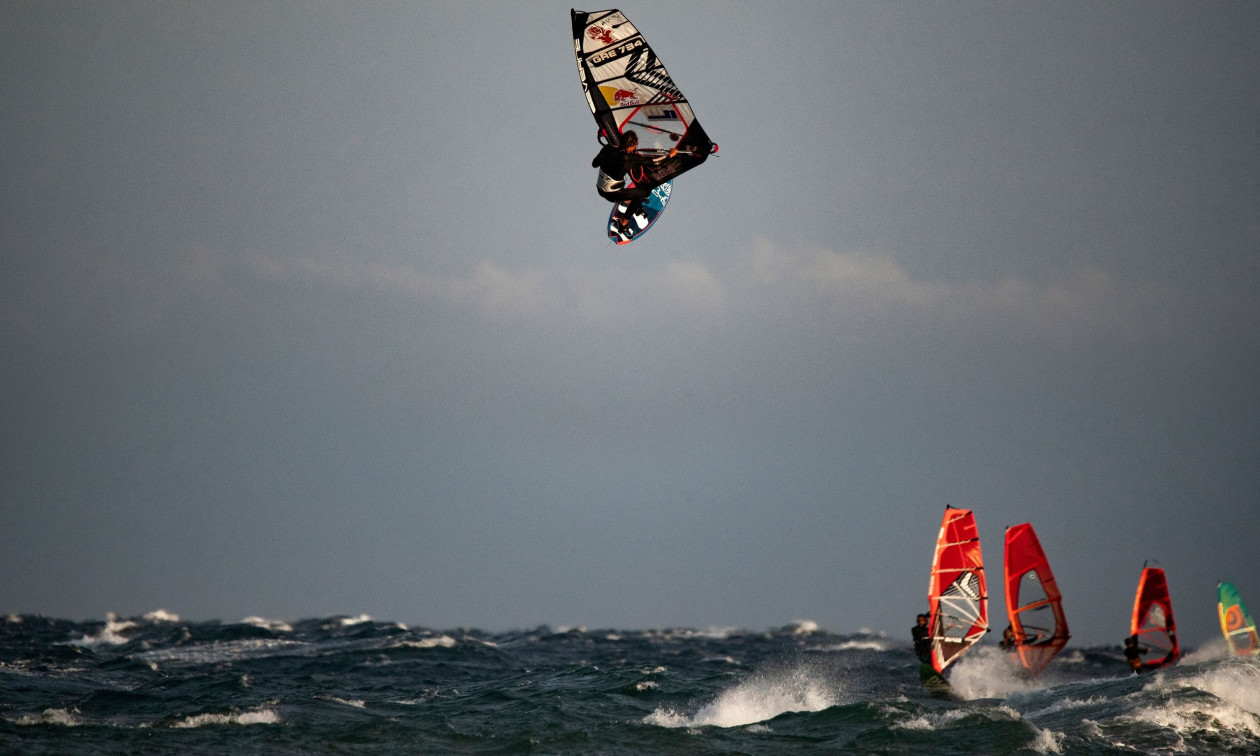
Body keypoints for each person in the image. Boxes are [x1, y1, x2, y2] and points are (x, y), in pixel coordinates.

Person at [592, 130, 677, 225]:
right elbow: (655, 162)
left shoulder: (607, 149)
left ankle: (626, 202)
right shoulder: (631, 158)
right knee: (644, 192)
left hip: (600, 189)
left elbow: (594, 164)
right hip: (613, 195)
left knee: (623, 177)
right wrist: (670, 155)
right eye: (635, 145)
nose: (635, 147)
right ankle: (624, 221)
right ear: (632, 145)